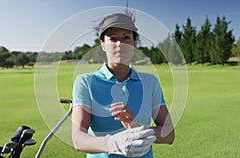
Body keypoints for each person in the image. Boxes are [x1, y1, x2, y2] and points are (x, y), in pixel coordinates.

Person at [71, 12, 174, 158]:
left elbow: (169, 134)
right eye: (113, 38)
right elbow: (78, 139)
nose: (120, 44)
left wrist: (138, 130)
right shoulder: (85, 82)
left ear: (134, 43)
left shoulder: (150, 82)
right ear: (102, 44)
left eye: (126, 37)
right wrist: (112, 144)